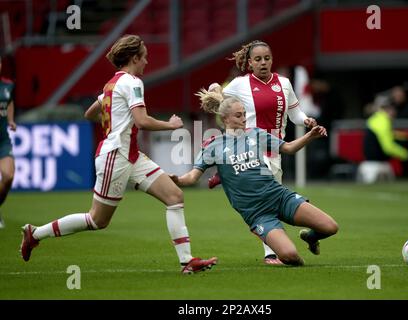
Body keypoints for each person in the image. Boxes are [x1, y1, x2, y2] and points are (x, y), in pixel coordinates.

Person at [19, 35, 217, 274]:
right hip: (116, 155)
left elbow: (90, 113)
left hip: (130, 154)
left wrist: (113, 122)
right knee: (97, 220)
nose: (146, 62)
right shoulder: (133, 83)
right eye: (144, 57)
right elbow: (142, 121)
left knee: (174, 196)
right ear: (134, 58)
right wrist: (171, 125)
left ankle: (187, 262)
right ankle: (36, 233)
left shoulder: (111, 84)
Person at [170, 97, 338, 266]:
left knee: (330, 227)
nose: (243, 118)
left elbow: (288, 148)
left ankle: (310, 237)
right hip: (257, 213)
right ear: (225, 119)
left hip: (278, 196)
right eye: (238, 115)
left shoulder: (255, 133)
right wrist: (178, 179)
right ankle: (295, 262)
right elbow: (192, 177)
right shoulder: (213, 146)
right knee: (290, 255)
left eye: (244, 114)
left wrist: (310, 135)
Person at [200, 40, 318, 264]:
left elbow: (295, 113)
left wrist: (306, 120)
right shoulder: (240, 84)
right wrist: (215, 87)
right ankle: (270, 254)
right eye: (258, 59)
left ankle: (226, 175)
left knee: (270, 197)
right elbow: (220, 95)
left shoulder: (283, 83)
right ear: (249, 63)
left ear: (272, 60)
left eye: (267, 58)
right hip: (251, 149)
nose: (263, 63)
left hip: (275, 150)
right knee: (266, 200)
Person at [363, 95, 408, 177]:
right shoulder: (383, 121)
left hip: (371, 155)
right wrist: (406, 155)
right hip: (376, 156)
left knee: (405, 139)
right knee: (405, 145)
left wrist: (404, 137)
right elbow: (388, 147)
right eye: (393, 109)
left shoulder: (376, 118)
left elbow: (389, 135)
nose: (395, 112)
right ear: (388, 109)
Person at [0, 55, 16, 228]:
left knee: (8, 176)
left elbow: (9, 102)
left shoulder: (7, 85)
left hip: (2, 139)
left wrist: (11, 120)